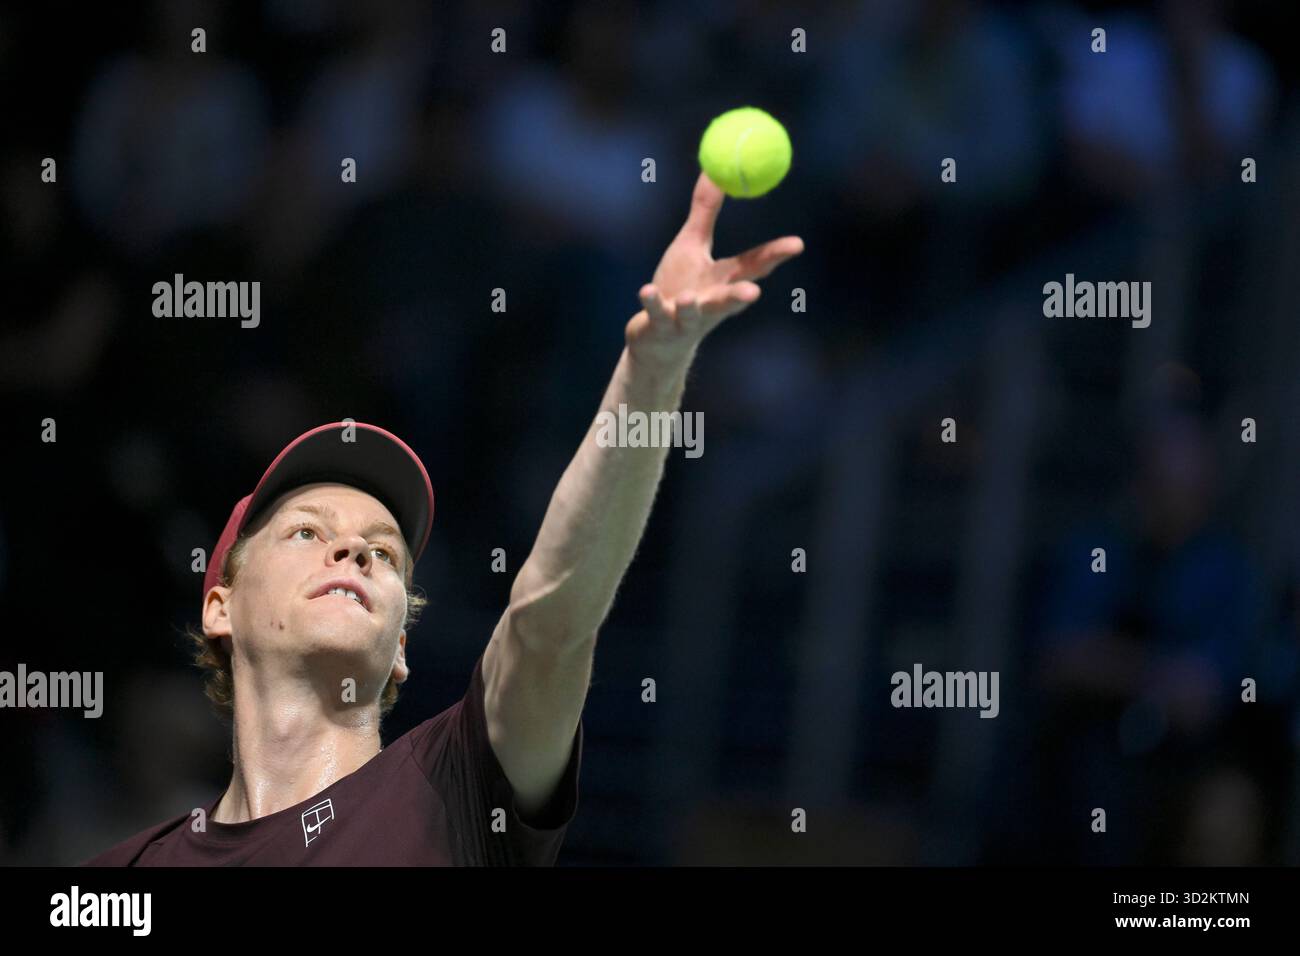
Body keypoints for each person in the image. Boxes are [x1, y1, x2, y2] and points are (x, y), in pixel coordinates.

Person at [83, 172, 804, 865]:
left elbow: (550, 622)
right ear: (221, 607)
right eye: (308, 531)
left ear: (400, 647)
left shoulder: (454, 788)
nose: (355, 554)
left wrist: (651, 371)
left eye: (386, 553)